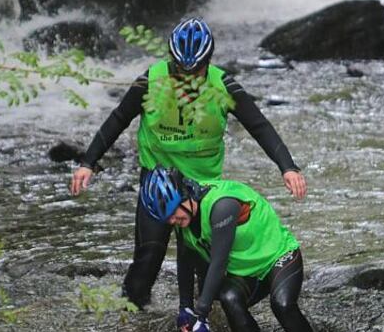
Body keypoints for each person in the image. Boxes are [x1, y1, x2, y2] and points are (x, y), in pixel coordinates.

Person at [70, 17, 308, 309]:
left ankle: (202, 324)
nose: (187, 78)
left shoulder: (223, 87)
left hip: (203, 189)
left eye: (195, 71)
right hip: (158, 184)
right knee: (148, 257)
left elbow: (259, 126)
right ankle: (132, 315)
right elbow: (119, 118)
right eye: (181, 70)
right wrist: (88, 162)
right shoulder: (151, 80)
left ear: (207, 62)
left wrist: (288, 166)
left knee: (205, 270)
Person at [140, 166, 316, 332]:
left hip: (278, 257)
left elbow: (218, 261)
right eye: (166, 219)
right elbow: (185, 262)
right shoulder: (183, 218)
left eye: (173, 213)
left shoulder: (222, 205)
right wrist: (185, 308)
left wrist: (201, 315)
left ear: (186, 196)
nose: (172, 221)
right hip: (246, 271)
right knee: (229, 297)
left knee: (281, 304)